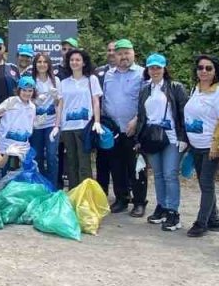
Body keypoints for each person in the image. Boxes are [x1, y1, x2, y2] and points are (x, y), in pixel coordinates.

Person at [134, 53, 191, 232]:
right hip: (152, 137)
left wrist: (184, 137)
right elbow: (141, 117)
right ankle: (162, 206)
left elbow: (184, 113)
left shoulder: (175, 87)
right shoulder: (145, 89)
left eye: (158, 67)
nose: (155, 71)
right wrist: (138, 139)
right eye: (152, 67)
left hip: (172, 137)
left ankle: (173, 212)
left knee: (170, 174)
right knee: (158, 174)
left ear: (164, 68)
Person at [97, 39, 149, 215]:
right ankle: (121, 198)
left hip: (133, 129)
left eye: (127, 53)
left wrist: (137, 120)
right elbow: (104, 100)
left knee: (137, 167)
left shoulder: (142, 74)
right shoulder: (108, 75)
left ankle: (139, 202)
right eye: (120, 54)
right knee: (116, 166)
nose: (123, 57)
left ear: (133, 53)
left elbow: (147, 101)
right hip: (113, 129)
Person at [184, 54, 219, 237]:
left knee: (206, 183)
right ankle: (214, 220)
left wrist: (216, 145)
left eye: (208, 68)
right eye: (200, 67)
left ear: (215, 71)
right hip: (196, 145)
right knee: (204, 184)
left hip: (210, 146)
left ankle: (201, 223)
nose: (204, 71)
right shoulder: (196, 89)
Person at [52, 48, 103, 190]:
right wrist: (57, 125)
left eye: (78, 60)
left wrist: (97, 121)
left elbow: (96, 101)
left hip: (84, 127)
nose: (74, 62)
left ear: (84, 62)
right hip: (68, 128)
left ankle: (86, 195)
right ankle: (74, 194)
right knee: (71, 163)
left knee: (84, 163)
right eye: (72, 60)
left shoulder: (91, 80)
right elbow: (60, 105)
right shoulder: (64, 83)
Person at [28, 52, 61, 186]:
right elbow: (25, 101)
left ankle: (53, 186)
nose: (42, 64)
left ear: (49, 64)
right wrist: (35, 100)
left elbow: (59, 104)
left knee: (52, 156)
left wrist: (57, 125)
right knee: (38, 156)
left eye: (45, 62)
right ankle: (41, 186)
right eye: (39, 62)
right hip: (36, 124)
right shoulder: (31, 80)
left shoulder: (55, 80)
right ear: (35, 64)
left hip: (51, 124)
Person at [0, 76, 37, 174]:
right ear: (19, 90)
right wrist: (5, 108)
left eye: (30, 91)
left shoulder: (32, 107)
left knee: (19, 176)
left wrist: (37, 123)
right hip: (6, 147)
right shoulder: (11, 100)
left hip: (23, 148)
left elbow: (30, 126)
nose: (27, 93)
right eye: (24, 90)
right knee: (5, 175)